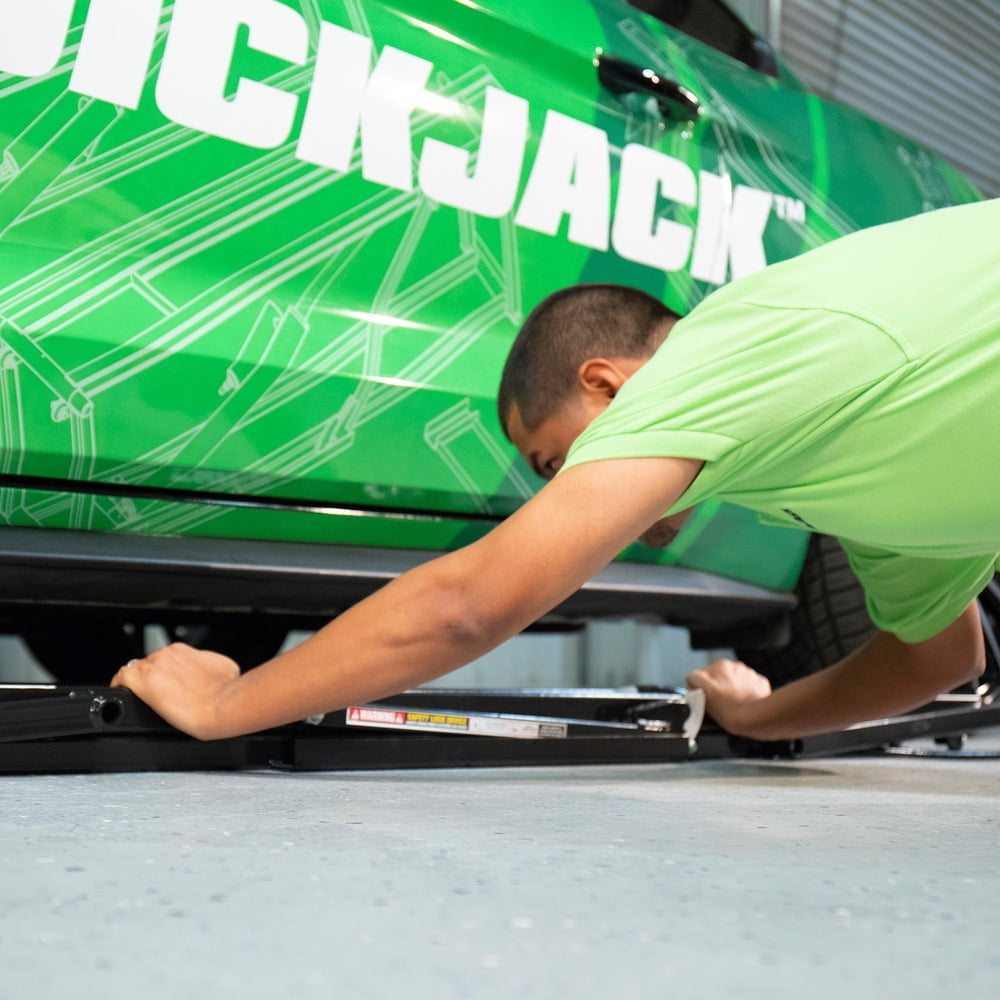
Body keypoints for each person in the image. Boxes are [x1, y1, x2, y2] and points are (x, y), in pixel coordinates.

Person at [112, 198, 999, 742]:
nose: (558, 489)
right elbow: (938, 656)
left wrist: (228, 703)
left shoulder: (727, 346)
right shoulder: (846, 471)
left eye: (553, 459)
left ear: (606, 385)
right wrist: (753, 715)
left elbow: (470, 605)